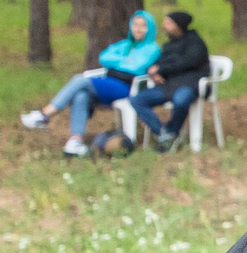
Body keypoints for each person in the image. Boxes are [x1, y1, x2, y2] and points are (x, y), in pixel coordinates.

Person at [19, 10, 162, 156]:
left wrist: (120, 61)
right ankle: (76, 140)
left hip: (127, 87)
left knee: (79, 79)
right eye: (135, 24)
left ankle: (44, 115)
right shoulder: (125, 44)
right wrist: (125, 60)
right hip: (107, 82)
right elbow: (104, 57)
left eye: (143, 26)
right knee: (81, 94)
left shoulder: (152, 48)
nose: (138, 29)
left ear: (149, 29)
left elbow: (137, 67)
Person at [127, 10, 211, 150]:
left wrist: (161, 70)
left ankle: (172, 131)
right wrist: (156, 74)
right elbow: (162, 65)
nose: (164, 25)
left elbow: (187, 62)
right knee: (137, 99)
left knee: (181, 100)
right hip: (168, 86)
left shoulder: (195, 43)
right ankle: (164, 133)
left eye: (168, 22)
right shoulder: (169, 45)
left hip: (189, 85)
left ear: (178, 25)